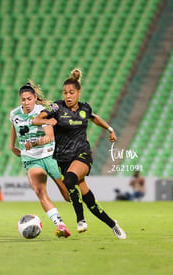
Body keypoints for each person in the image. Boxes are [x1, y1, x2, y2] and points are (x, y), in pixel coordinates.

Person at [31, 69, 127, 239]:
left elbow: (95, 117)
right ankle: (113, 224)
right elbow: (36, 119)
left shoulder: (85, 108)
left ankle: (80, 220)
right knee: (89, 199)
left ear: (78, 93)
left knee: (69, 180)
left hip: (82, 154)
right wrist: (47, 121)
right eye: (65, 93)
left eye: (71, 92)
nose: (68, 96)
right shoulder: (57, 107)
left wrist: (110, 129)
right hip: (63, 158)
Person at [9, 81, 72, 238]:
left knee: (68, 195)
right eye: (23, 100)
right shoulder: (15, 114)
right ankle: (61, 225)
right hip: (31, 159)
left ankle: (83, 215)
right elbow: (14, 127)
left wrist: (35, 142)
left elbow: (50, 137)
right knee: (39, 191)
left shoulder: (43, 112)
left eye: (29, 99)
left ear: (35, 98)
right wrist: (12, 145)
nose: (26, 102)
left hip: (50, 156)